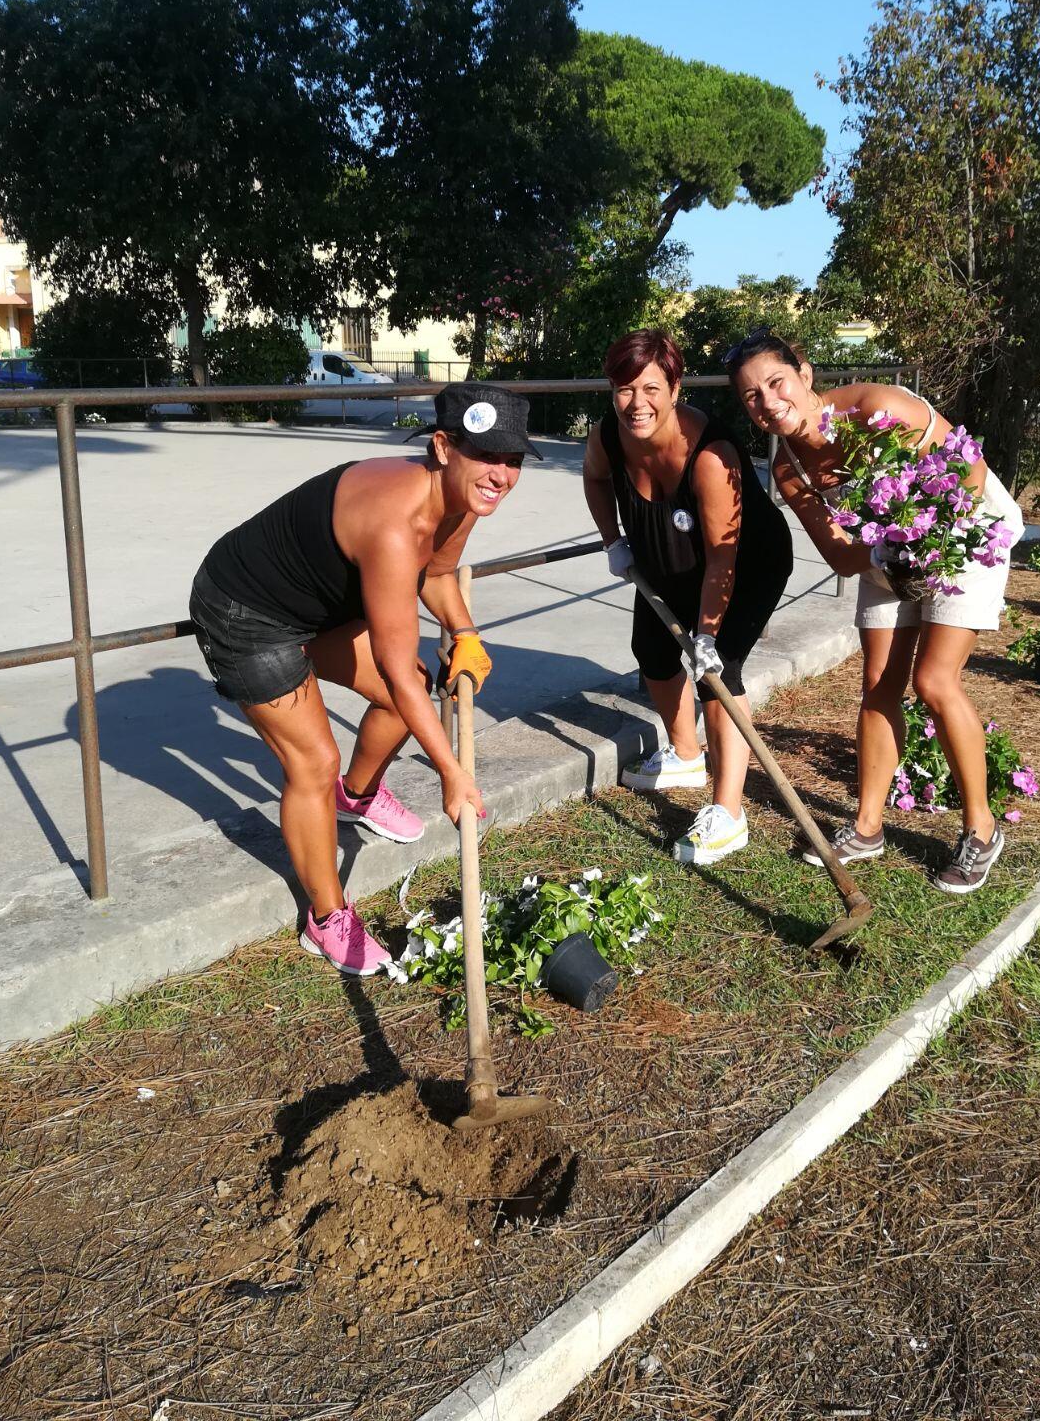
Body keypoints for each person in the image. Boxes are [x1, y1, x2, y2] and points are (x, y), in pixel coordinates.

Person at [188, 381, 540, 974]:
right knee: (312, 763)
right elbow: (396, 668)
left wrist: (466, 632)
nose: (499, 475)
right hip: (246, 613)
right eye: (486, 455)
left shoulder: (460, 498)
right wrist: (451, 772)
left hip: (313, 607)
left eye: (511, 461)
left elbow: (440, 571)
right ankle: (325, 919)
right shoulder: (394, 522)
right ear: (443, 447)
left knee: (411, 696)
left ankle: (356, 796)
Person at [725, 331, 1023, 893]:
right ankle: (867, 827)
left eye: (775, 382)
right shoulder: (791, 469)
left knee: (934, 680)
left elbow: (970, 471)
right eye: (750, 397)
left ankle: (982, 829)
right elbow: (840, 554)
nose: (767, 402)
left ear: (805, 376)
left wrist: (924, 541)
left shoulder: (875, 409)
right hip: (887, 550)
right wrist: (888, 551)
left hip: (965, 533)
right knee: (879, 683)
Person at [583, 329, 793, 864]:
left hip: (746, 561)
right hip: (666, 553)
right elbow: (596, 480)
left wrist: (706, 634)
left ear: (675, 388)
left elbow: (722, 559)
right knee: (651, 651)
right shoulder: (607, 437)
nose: (637, 403)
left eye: (651, 388)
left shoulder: (708, 454)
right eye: (624, 390)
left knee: (719, 676)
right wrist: (614, 541)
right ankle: (685, 754)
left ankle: (729, 812)